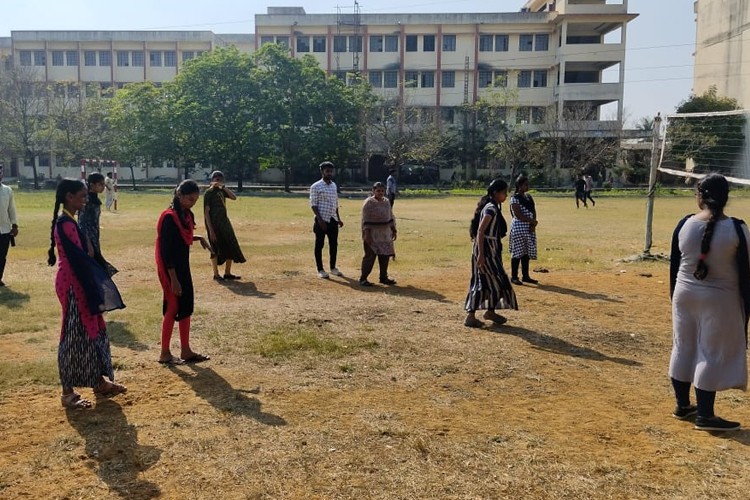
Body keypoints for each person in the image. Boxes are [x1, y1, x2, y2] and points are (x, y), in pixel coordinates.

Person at [669, 173, 750, 431]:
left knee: (683, 346)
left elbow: (674, 264)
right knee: (710, 352)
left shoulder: (684, 224)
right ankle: (705, 414)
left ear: (700, 196)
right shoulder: (737, 229)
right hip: (719, 299)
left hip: (684, 295)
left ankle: (683, 405)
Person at [47, 179, 127, 409]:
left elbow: (87, 252)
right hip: (73, 285)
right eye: (81, 196)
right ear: (69, 197)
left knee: (92, 331)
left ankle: (98, 382)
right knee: (73, 335)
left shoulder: (70, 221)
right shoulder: (65, 224)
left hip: (78, 282)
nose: (85, 199)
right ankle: (68, 393)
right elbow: (82, 257)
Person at [156, 179, 212, 365]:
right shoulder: (169, 217)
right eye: (189, 199)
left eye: (195, 199)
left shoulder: (186, 215)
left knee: (186, 305)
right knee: (172, 307)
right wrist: (174, 279)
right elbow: (167, 250)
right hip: (171, 269)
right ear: (179, 195)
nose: (192, 202)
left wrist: (199, 237)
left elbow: (182, 238)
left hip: (182, 266)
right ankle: (165, 353)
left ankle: (186, 350)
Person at [464, 179, 518, 328]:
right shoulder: (491, 209)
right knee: (487, 281)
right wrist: (481, 254)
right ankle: (472, 316)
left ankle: (490, 311)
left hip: (490, 249)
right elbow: (481, 230)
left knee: (490, 281)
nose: (505, 196)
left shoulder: (493, 206)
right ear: (496, 193)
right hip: (486, 250)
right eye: (504, 193)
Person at [203, 170, 246, 281]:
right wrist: (211, 230)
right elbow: (206, 212)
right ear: (212, 180)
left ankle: (227, 273)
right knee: (215, 247)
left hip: (224, 223)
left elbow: (234, 197)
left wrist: (223, 187)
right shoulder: (209, 193)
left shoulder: (221, 191)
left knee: (230, 244)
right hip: (214, 224)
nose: (218, 181)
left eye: (220, 179)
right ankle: (216, 274)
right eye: (216, 179)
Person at [78, 173, 118, 277]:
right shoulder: (86, 201)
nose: (103, 187)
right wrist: (88, 244)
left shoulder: (94, 199)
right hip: (88, 239)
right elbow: (82, 224)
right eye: (100, 184)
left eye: (103, 184)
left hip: (94, 238)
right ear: (92, 185)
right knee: (97, 270)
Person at [359, 182, 397, 286]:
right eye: (378, 191)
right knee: (370, 256)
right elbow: (365, 219)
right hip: (372, 234)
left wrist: (393, 229)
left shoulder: (386, 202)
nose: (380, 193)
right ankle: (363, 278)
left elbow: (390, 216)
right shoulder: (368, 203)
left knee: (384, 256)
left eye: (382, 191)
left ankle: (383, 277)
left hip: (385, 234)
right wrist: (367, 234)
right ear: (373, 191)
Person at [310, 161, 344, 279]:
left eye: (331, 171)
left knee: (334, 244)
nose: (329, 173)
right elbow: (313, 205)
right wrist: (320, 221)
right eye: (327, 171)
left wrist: (339, 219)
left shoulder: (333, 185)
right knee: (319, 244)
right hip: (321, 220)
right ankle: (320, 269)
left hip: (333, 219)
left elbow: (335, 203)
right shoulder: (316, 186)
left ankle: (333, 268)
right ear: (322, 172)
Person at [509, 175, 539, 285]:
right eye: (525, 184)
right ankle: (514, 276)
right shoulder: (515, 198)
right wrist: (531, 221)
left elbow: (533, 210)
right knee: (517, 252)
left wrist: (533, 223)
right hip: (519, 228)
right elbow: (518, 215)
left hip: (528, 228)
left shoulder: (529, 197)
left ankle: (525, 276)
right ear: (519, 185)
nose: (527, 186)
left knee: (526, 253)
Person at [0, 165, 19, 287]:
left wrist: (15, 225)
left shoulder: (7, 190)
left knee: (2, 256)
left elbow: (11, 209)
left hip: (4, 229)